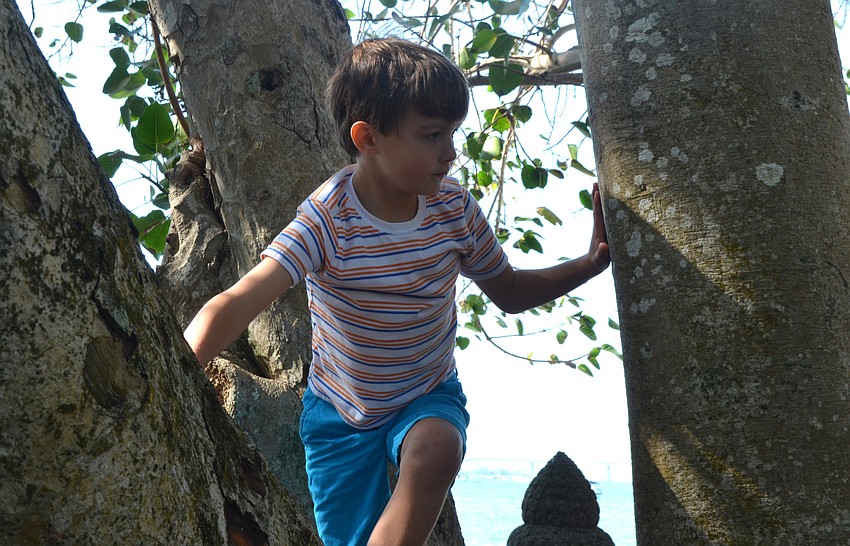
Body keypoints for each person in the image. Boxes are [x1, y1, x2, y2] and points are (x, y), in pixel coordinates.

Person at [183, 37, 610, 546]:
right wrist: (178, 365)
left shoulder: (453, 210)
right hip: (341, 414)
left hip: (426, 396)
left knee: (437, 450)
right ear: (369, 138)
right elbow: (242, 299)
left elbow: (510, 290)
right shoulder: (328, 219)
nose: (450, 153)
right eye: (432, 136)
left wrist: (588, 264)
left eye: (453, 133)